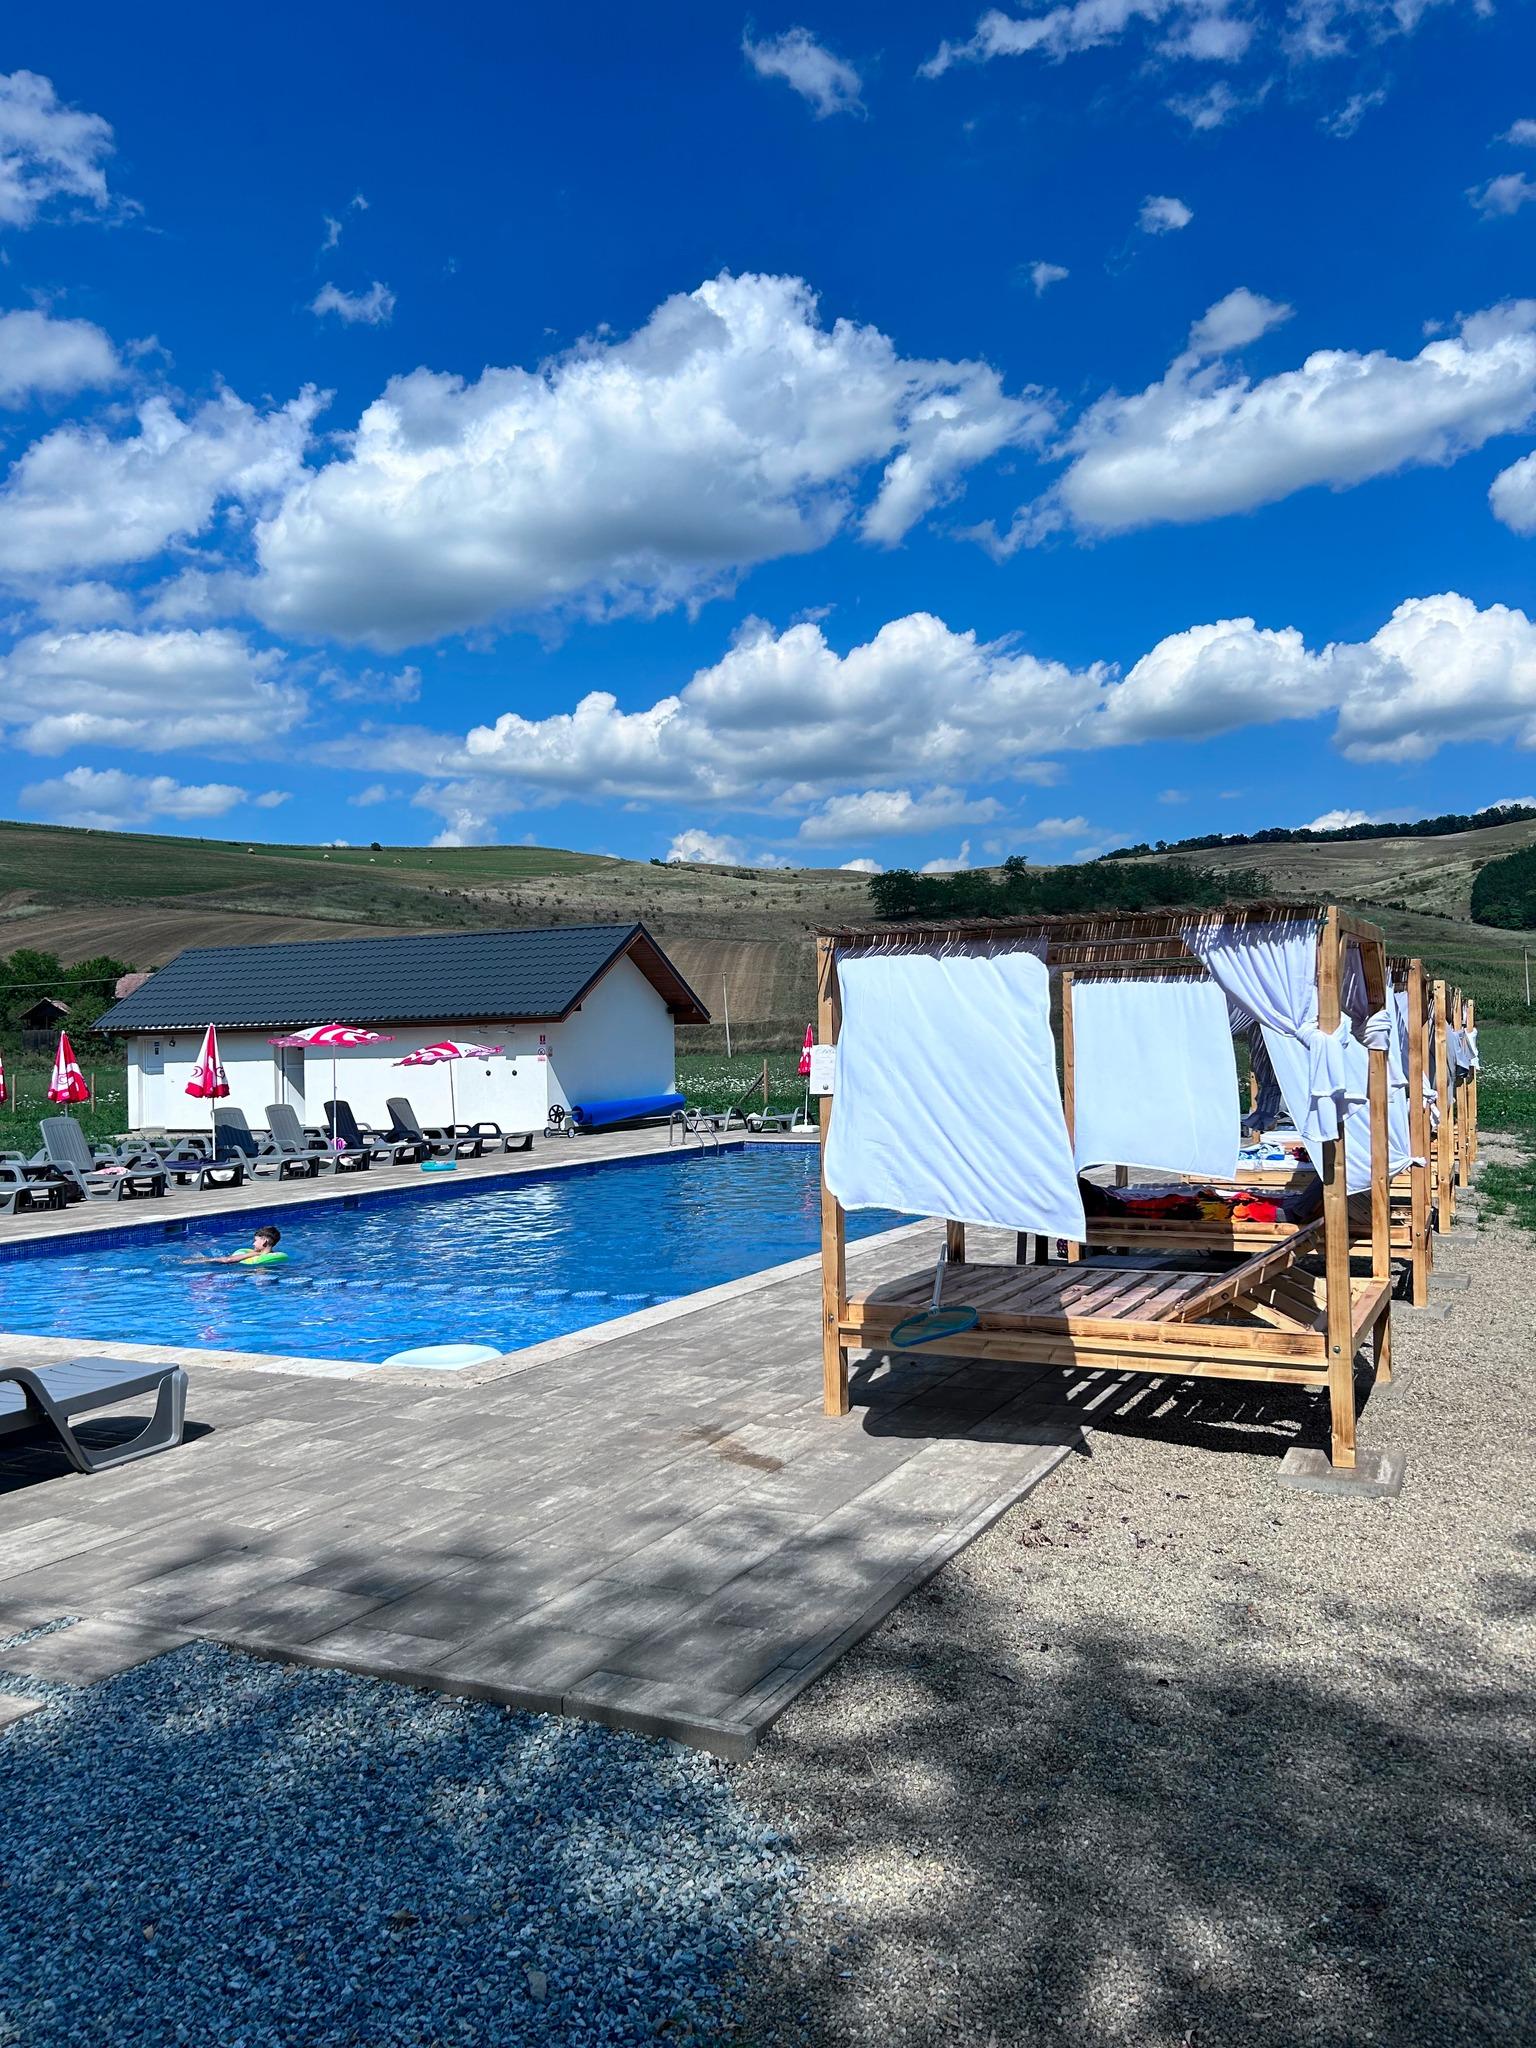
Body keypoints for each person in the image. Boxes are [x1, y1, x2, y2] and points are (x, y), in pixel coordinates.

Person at [196, 1225, 286, 1266]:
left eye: (255, 1240)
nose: (253, 1243)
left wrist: (206, 1260)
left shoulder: (255, 1254)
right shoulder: (277, 1256)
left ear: (264, 1241)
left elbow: (228, 1260)